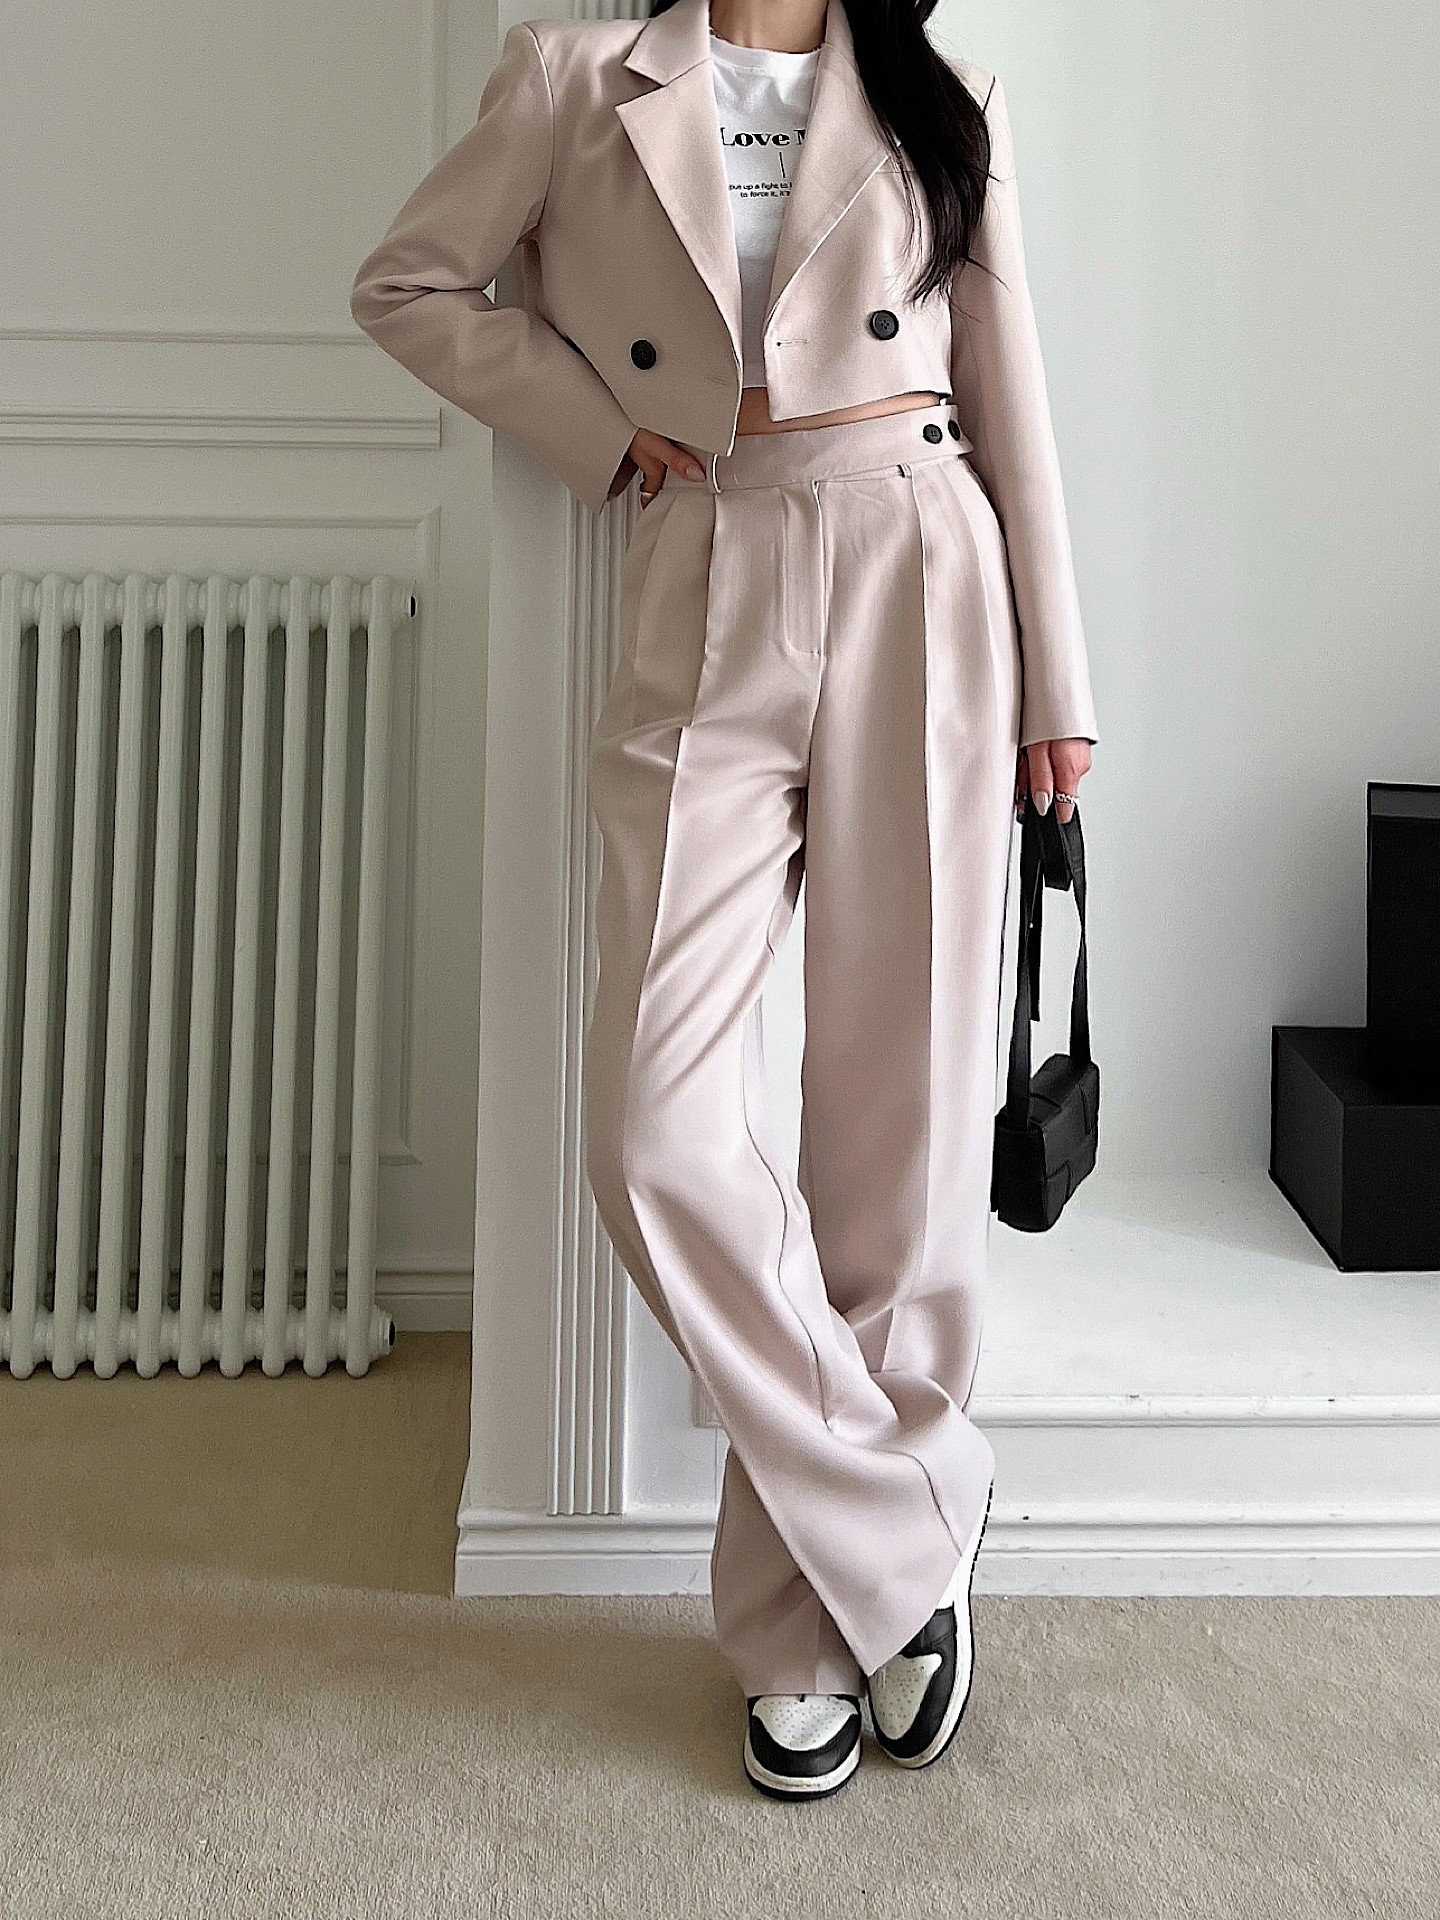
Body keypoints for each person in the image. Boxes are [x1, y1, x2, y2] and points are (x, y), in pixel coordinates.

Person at [351, 0, 1099, 1801]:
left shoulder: (941, 94)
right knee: (656, 1127)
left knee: (896, 1127)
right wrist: (603, 432)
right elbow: (409, 284)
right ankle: (913, 1519)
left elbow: (1009, 381)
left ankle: (799, 1629)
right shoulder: (575, 77)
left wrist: (1057, 678)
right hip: (707, 553)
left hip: (922, 552)